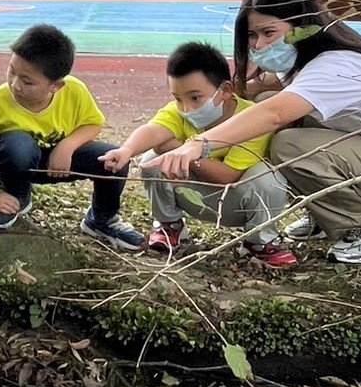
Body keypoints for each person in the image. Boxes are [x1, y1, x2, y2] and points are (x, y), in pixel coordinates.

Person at [150, 0, 361, 265]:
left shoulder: (335, 66)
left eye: (270, 33)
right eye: (252, 36)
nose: (259, 45)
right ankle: (325, 212)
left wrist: (197, 145)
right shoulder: (306, 63)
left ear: (302, 26)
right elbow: (267, 97)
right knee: (271, 107)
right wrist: (250, 87)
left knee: (286, 142)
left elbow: (274, 115)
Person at [100, 42, 296, 268]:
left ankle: (259, 241)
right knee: (151, 160)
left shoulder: (252, 118)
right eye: (177, 98)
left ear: (225, 91)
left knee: (268, 178)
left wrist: (181, 152)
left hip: (237, 201)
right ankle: (169, 225)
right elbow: (153, 130)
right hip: (193, 192)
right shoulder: (179, 112)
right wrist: (126, 150)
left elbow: (228, 176)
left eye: (195, 98)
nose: (186, 108)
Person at [0, 24, 144, 250]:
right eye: (12, 71)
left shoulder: (74, 91)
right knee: (17, 145)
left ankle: (101, 219)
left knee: (113, 160)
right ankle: (17, 197)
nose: (15, 85)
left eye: (27, 81)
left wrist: (67, 146)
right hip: (14, 161)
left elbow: (93, 123)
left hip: (57, 163)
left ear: (56, 86)